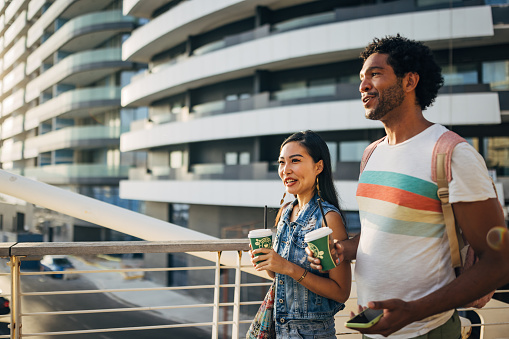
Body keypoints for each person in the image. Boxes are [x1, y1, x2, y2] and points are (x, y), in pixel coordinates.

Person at [307, 34, 508, 338]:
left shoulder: (452, 154)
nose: (362, 86)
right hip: (372, 325)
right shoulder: (371, 154)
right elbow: (384, 230)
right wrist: (343, 250)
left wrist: (413, 312)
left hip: (426, 330)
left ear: (409, 81)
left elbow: (498, 261)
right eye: (362, 77)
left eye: (375, 74)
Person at [250, 130, 351, 338]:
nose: (286, 170)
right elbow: (279, 276)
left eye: (295, 161)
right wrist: (269, 261)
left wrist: (287, 267)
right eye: (281, 162)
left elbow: (341, 291)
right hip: (278, 331)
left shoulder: (328, 218)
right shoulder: (286, 211)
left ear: (318, 166)